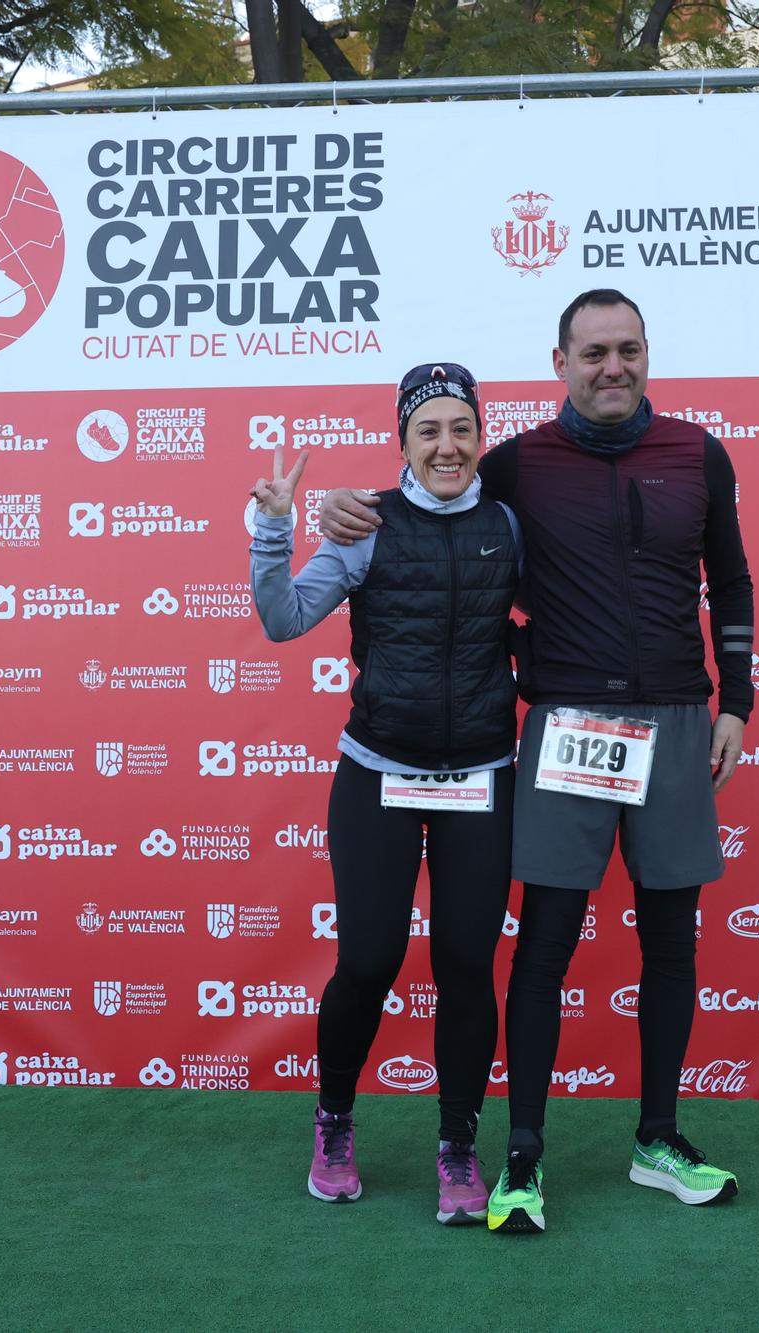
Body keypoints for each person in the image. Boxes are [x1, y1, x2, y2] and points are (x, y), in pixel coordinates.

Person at [318, 289, 755, 1235]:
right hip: (563, 726)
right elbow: (434, 502)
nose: (613, 366)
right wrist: (341, 507)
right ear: (559, 361)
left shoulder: (698, 451)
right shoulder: (515, 462)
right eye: (593, 351)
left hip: (677, 718)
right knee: (545, 941)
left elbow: (733, 578)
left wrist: (740, 701)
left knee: (671, 937)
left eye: (628, 349)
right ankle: (521, 1155)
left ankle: (658, 1139)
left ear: (648, 355)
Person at [249, 362, 521, 1224]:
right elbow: (283, 618)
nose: (447, 446)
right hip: (378, 771)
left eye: (461, 429)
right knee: (368, 959)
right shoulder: (364, 524)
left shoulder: (512, 523)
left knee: (466, 967)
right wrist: (274, 527)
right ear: (402, 440)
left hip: (480, 776)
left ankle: (456, 1146)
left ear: (481, 436)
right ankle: (333, 1121)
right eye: (428, 430)